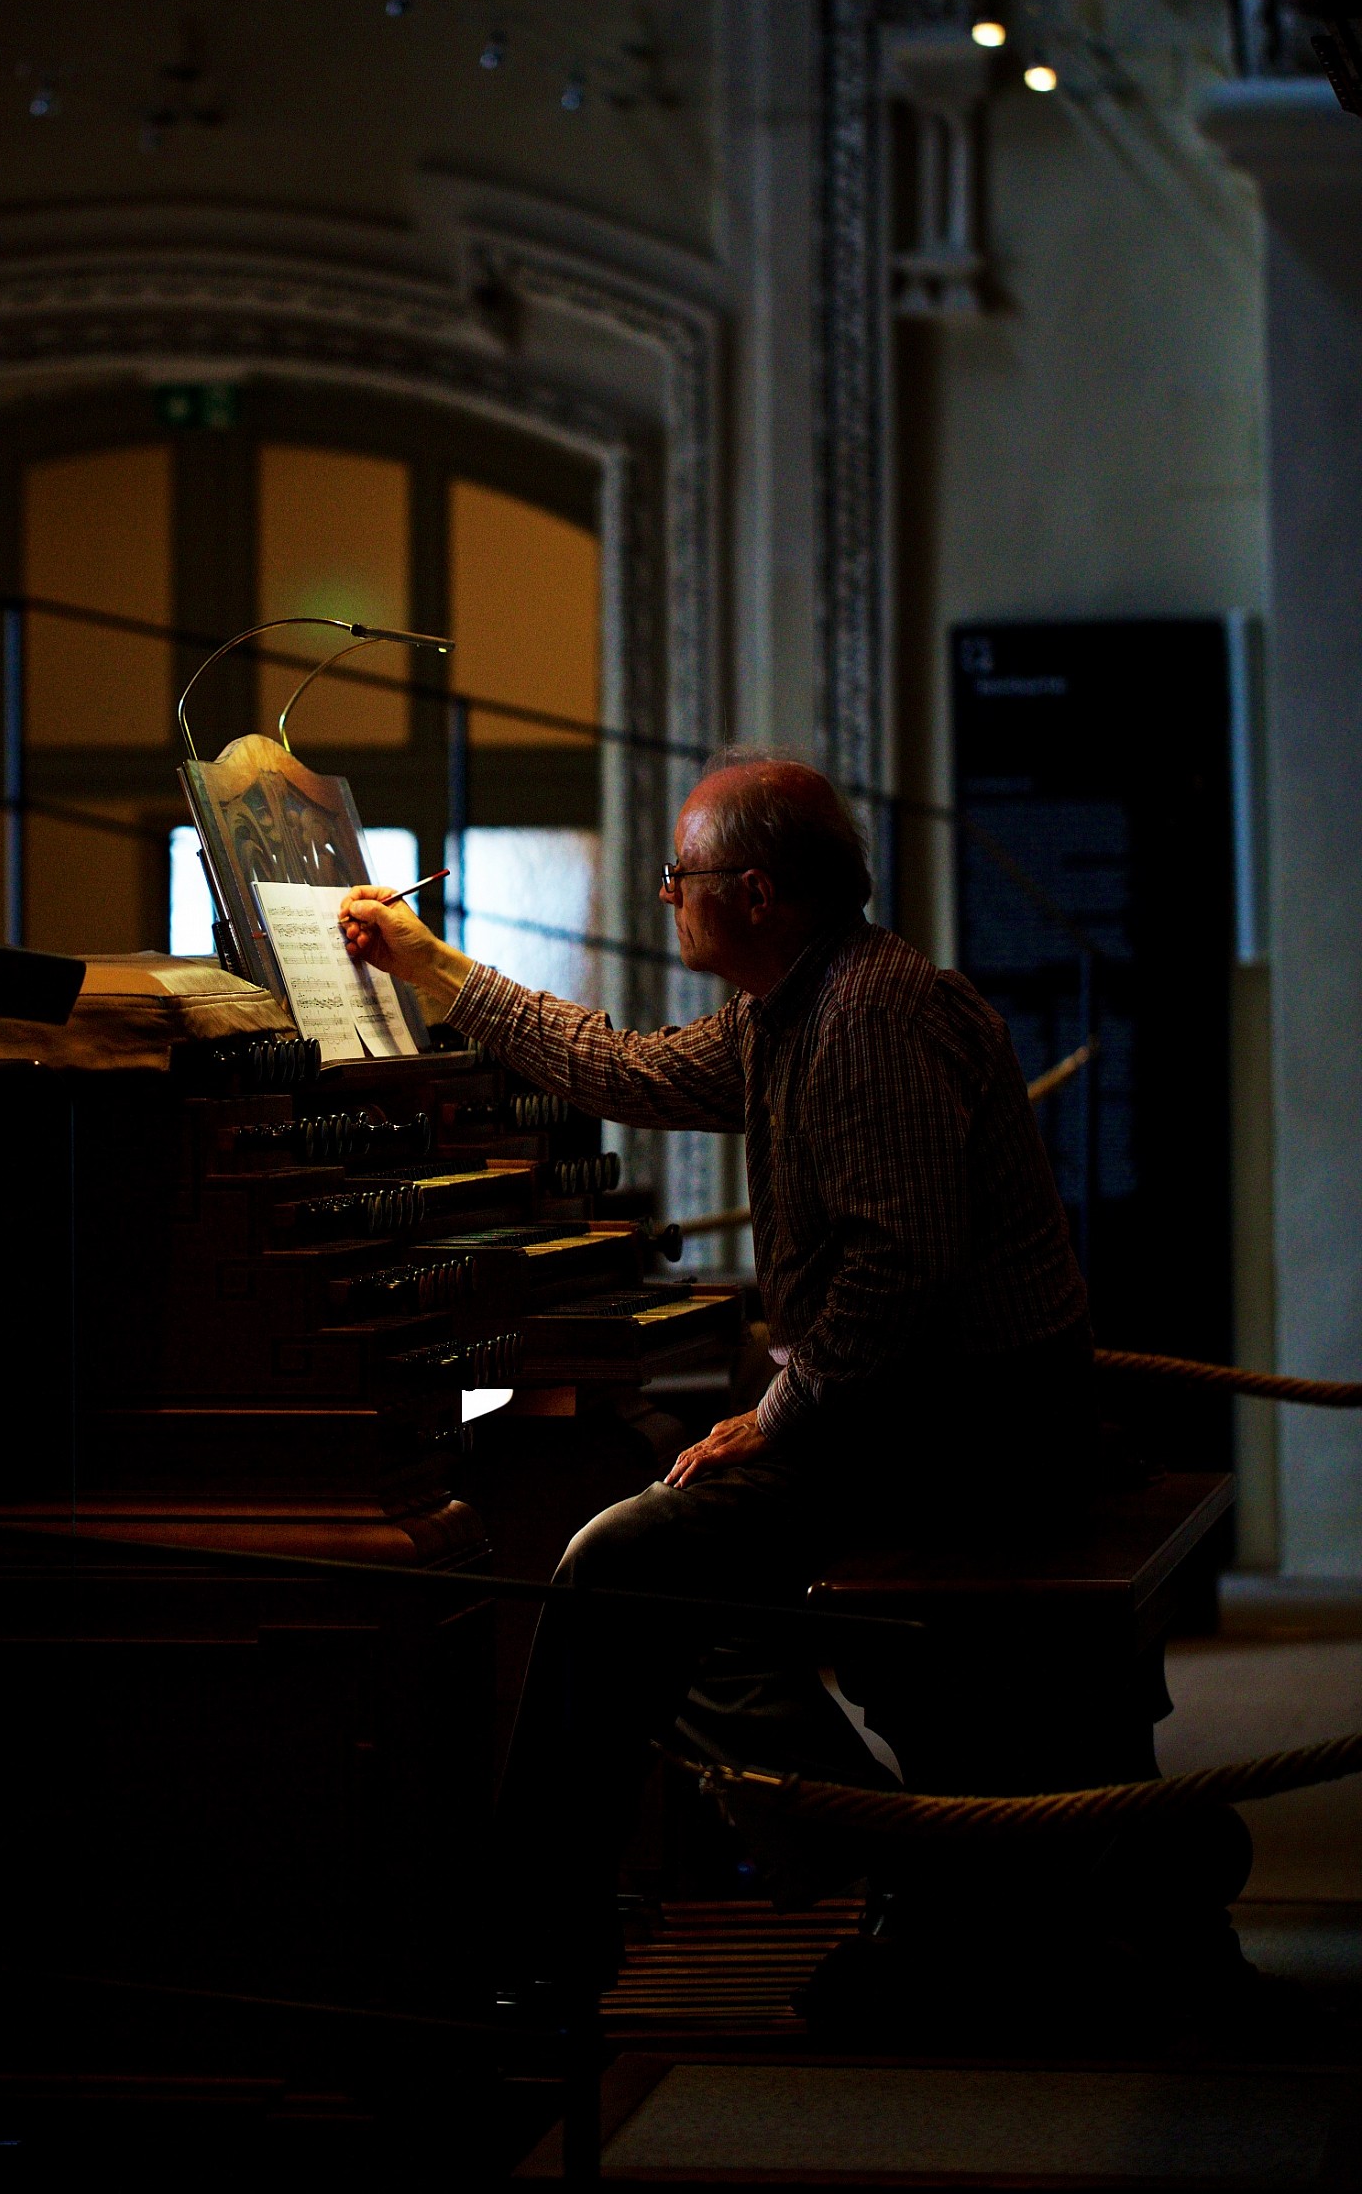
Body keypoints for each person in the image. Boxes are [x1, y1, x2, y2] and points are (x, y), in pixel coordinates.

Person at [339, 749, 1092, 1986]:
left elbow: (901, 1271)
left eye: (674, 879)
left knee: (617, 1561)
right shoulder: (792, 1007)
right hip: (912, 1411)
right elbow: (621, 1070)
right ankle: (894, 1848)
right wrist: (436, 967)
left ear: (751, 892)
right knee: (664, 1560)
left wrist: (780, 1414)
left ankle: (535, 1944)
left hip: (962, 1431)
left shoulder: (868, 1015)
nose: (663, 898)